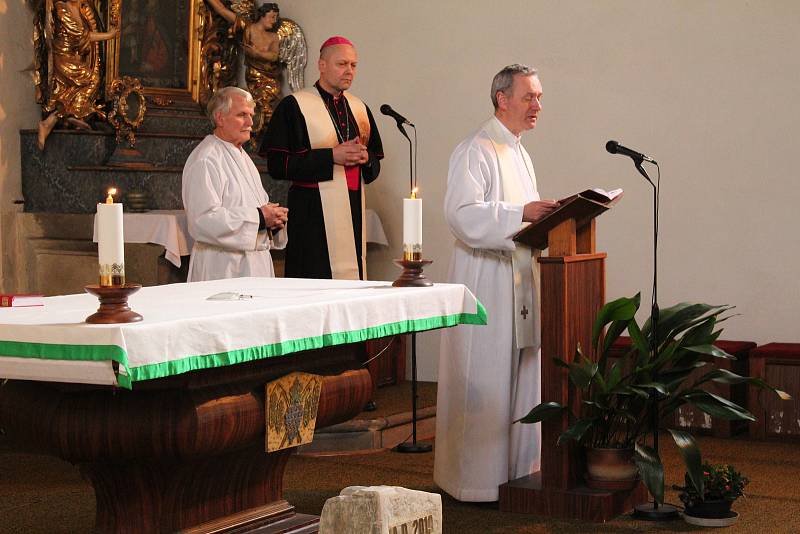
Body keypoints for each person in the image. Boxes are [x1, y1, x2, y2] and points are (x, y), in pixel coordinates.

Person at [433, 64, 560, 502]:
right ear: (502, 98)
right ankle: (476, 481)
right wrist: (521, 214)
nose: (537, 105)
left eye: (539, 97)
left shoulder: (518, 151)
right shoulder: (476, 148)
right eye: (529, 97)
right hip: (484, 277)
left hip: (518, 276)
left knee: (519, 372)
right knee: (485, 372)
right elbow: (462, 214)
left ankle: (517, 472)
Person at [261, 36, 383, 280]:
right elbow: (277, 166)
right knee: (314, 280)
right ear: (322, 65)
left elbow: (374, 167)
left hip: (352, 209)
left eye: (353, 65)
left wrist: (365, 158)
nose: (349, 71)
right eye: (342, 64)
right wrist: (331, 156)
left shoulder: (359, 108)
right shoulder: (294, 106)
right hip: (311, 215)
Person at [182, 86, 288, 282]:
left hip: (255, 265)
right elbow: (202, 220)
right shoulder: (206, 159)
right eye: (242, 115)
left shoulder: (241, 155)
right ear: (220, 118)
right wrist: (260, 217)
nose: (250, 123)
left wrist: (274, 221)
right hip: (223, 268)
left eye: (251, 115)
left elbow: (254, 205)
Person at [37, 0, 119, 149]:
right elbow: (81, 36)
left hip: (71, 57)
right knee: (92, 80)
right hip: (62, 58)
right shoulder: (61, 8)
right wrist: (109, 35)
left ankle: (54, 122)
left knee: (72, 92)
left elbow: (82, 40)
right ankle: (71, 116)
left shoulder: (80, 10)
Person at [205, 0, 282, 138]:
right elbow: (222, 11)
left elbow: (274, 56)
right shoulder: (248, 28)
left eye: (276, 17)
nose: (274, 20)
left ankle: (263, 132)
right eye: (272, 16)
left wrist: (257, 53)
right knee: (257, 104)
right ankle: (257, 132)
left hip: (270, 75)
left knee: (269, 106)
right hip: (254, 74)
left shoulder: (273, 36)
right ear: (262, 15)